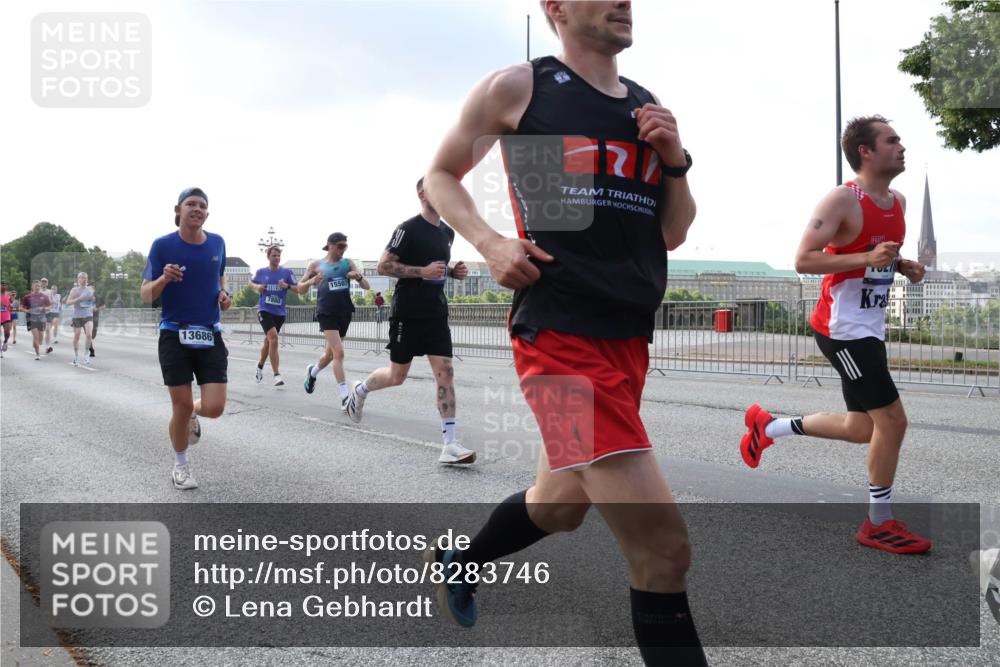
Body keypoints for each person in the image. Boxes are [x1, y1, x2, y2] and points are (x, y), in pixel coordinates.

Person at [418, 2, 706, 664]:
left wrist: (674, 158)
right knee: (663, 551)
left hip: (627, 337)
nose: (624, 3)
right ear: (557, 9)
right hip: (561, 336)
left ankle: (462, 557)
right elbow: (441, 174)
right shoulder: (525, 89)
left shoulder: (644, 105)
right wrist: (490, 242)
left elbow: (672, 231)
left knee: (560, 502)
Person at [740, 115, 930, 555]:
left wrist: (903, 268)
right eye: (892, 140)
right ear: (865, 151)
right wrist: (868, 256)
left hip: (870, 328)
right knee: (893, 422)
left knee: (862, 428)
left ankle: (770, 426)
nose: (902, 146)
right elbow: (804, 261)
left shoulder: (897, 201)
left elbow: (874, 259)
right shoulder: (842, 200)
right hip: (844, 330)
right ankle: (877, 523)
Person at [344, 179, 476, 466]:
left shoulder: (447, 232)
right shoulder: (408, 229)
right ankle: (360, 390)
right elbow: (383, 266)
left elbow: (437, 268)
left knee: (446, 372)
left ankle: (449, 444)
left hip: (436, 313)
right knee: (397, 376)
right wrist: (422, 271)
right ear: (422, 194)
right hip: (407, 313)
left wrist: (453, 272)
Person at [141, 187, 232, 491]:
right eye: (190, 204)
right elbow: (145, 294)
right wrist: (164, 278)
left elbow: (219, 277)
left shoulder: (217, 243)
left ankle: (194, 409)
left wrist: (223, 294)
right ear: (178, 210)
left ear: (207, 213)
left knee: (216, 407)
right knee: (179, 406)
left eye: (202, 205)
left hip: (209, 333)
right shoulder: (163, 246)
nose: (197, 209)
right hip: (173, 332)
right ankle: (181, 466)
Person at [302, 233, 369, 408]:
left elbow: (366, 287)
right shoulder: (316, 265)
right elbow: (300, 289)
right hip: (326, 312)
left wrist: (358, 277)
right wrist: (311, 280)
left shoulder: (347, 263)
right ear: (330, 246)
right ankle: (345, 397)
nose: (343, 250)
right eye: (340, 246)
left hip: (344, 311)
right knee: (339, 353)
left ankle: (313, 372)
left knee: (330, 355)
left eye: (345, 246)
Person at [251, 245, 316, 386]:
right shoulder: (261, 272)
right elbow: (251, 283)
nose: (276, 258)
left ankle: (260, 366)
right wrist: (258, 287)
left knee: (268, 342)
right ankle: (276, 375)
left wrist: (286, 286)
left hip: (279, 312)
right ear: (268, 257)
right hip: (264, 309)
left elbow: (298, 289)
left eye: (278, 256)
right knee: (274, 339)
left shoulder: (286, 272)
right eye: (274, 255)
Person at [65, 272, 96, 366]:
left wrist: (92, 301)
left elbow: (93, 301)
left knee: (89, 335)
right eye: (82, 278)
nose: (84, 279)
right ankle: (76, 355)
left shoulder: (90, 290)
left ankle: (86, 354)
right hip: (77, 316)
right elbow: (68, 302)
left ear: (87, 279)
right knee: (77, 336)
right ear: (78, 280)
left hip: (88, 315)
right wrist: (78, 299)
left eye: (85, 278)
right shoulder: (74, 290)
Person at [22, 281, 52, 360]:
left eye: (38, 286)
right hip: (31, 319)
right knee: (35, 336)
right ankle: (37, 354)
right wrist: (27, 311)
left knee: (40, 340)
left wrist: (43, 308)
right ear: (32, 287)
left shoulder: (44, 296)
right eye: (36, 286)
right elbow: (21, 308)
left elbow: (49, 307)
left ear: (40, 287)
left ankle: (36, 344)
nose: (37, 287)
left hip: (41, 319)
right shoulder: (27, 297)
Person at [46, 283, 62, 347]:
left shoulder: (58, 296)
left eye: (55, 289)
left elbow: (57, 302)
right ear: (51, 290)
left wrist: (60, 306)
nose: (54, 290)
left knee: (55, 323)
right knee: (49, 326)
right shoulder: (48, 296)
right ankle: (48, 335)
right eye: (52, 289)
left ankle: (55, 338)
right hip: (50, 312)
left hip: (56, 312)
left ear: (57, 290)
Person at [0, 283, 11, 354]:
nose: (3, 286)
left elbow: (12, 303)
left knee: (7, 331)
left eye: (4, 285)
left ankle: (5, 342)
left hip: (6, 315)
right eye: (1, 285)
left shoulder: (8, 295)